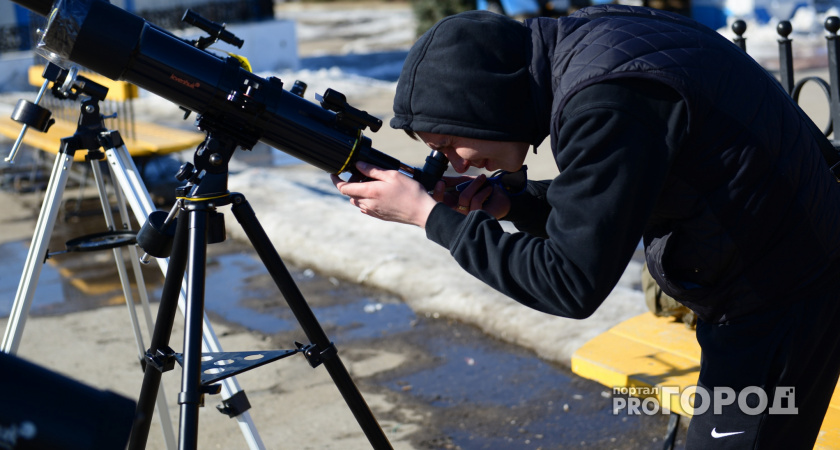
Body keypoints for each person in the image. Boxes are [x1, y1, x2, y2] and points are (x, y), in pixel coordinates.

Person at [331, 5, 840, 448]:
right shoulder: (589, 43)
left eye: (446, 146)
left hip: (778, 296)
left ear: (480, 103)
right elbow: (612, 197)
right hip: (781, 258)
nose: (456, 165)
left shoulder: (604, 102)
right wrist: (510, 205)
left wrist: (431, 217)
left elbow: (570, 282)